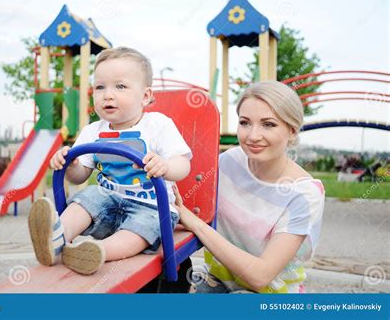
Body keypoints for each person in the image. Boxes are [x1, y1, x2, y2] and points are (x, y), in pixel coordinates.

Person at [28, 47, 192, 275]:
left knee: (141, 228)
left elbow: (183, 163)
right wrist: (69, 166)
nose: (108, 95)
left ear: (145, 96)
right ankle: (56, 236)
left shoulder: (157, 125)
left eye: (120, 86)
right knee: (87, 196)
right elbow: (80, 177)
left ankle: (95, 252)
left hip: (152, 206)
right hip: (109, 203)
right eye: (100, 87)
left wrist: (165, 167)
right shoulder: (92, 131)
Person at [175, 81, 325, 293]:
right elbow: (183, 201)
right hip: (218, 284)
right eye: (245, 123)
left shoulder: (304, 195)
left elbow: (260, 276)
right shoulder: (228, 162)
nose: (253, 136)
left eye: (268, 124)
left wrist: (197, 225)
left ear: (292, 131)